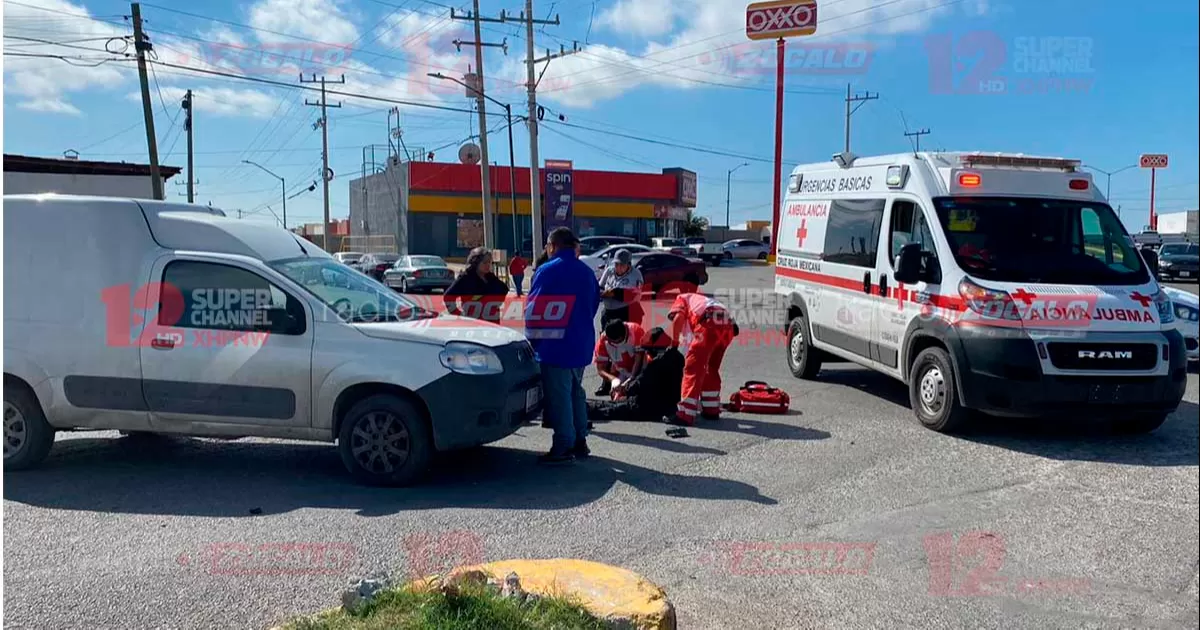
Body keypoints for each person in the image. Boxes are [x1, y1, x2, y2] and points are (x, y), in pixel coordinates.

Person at [525, 227, 600, 464]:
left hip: (554, 344)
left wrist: (533, 340)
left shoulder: (546, 271)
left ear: (552, 245)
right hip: (581, 342)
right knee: (577, 393)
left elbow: (534, 310)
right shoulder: (587, 272)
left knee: (560, 397)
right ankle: (580, 440)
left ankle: (563, 445)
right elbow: (593, 305)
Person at [664, 293, 739, 426]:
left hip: (709, 324)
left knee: (692, 368)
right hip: (728, 326)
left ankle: (685, 415)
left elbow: (678, 319)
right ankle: (711, 409)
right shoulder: (701, 301)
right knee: (711, 367)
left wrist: (674, 345)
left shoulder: (681, 299)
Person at [586, 328, 684, 423]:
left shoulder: (657, 364)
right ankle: (583, 407)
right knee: (614, 405)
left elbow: (639, 384)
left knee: (612, 409)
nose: (647, 353)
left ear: (655, 349)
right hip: (669, 404)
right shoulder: (678, 357)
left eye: (648, 350)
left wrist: (625, 389)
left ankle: (582, 410)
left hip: (649, 407)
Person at [443, 247, 509, 324]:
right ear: (476, 262)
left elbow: (504, 289)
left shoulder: (491, 277)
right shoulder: (466, 277)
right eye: (484, 262)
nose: (488, 265)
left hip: (492, 323)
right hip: (473, 323)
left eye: (489, 262)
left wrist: (495, 303)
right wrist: (458, 314)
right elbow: (448, 297)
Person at [593, 319, 646, 397]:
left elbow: (640, 357)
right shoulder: (603, 340)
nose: (612, 343)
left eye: (616, 341)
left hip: (641, 369)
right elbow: (601, 369)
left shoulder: (635, 330)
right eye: (610, 341)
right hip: (621, 371)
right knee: (617, 397)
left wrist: (632, 378)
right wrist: (613, 379)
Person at [597, 249, 645, 330]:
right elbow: (599, 288)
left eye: (622, 265)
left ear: (628, 264)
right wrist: (605, 293)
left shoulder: (635, 274)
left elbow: (634, 295)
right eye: (616, 264)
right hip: (608, 312)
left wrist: (613, 293)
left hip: (625, 312)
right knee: (606, 337)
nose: (618, 267)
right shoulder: (609, 271)